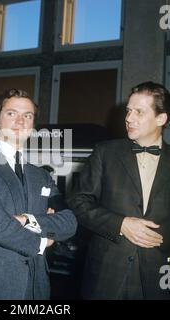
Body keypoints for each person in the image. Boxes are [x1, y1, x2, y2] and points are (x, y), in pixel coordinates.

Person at [0, 88, 77, 299]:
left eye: (28, 116)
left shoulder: (42, 176)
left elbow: (69, 222)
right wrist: (43, 241)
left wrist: (27, 220)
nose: (20, 121)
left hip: (37, 283)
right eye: (11, 113)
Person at [69, 81, 170, 299]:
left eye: (139, 112)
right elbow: (78, 203)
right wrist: (121, 224)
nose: (129, 118)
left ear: (161, 119)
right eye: (128, 111)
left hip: (160, 276)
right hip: (106, 273)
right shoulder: (105, 153)